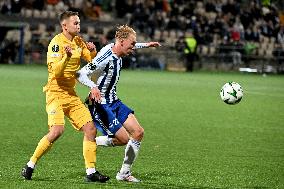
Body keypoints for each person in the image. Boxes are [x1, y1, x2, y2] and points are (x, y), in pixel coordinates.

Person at [21, 11, 109, 183]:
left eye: (79, 23)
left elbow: (91, 60)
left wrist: (93, 51)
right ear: (64, 26)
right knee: (56, 131)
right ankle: (30, 165)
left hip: (71, 94)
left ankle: (91, 172)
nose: (78, 26)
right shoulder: (56, 44)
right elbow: (56, 72)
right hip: (55, 93)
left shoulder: (78, 41)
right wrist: (67, 57)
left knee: (90, 129)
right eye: (75, 23)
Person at [76, 25, 161, 182]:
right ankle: (90, 141)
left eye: (135, 44)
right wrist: (93, 86)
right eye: (132, 44)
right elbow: (80, 74)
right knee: (123, 139)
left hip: (114, 101)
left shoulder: (117, 47)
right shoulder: (105, 56)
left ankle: (124, 174)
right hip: (100, 104)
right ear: (121, 42)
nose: (133, 48)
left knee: (138, 132)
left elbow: (131, 44)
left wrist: (146, 44)